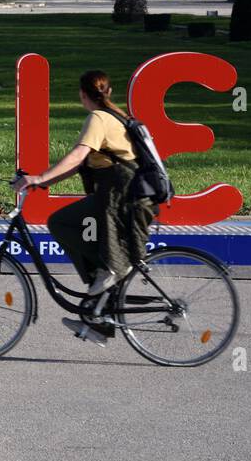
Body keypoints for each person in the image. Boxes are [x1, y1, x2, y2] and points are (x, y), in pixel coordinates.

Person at [11, 70, 156, 345]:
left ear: (82, 95)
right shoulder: (115, 116)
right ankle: (99, 312)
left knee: (61, 222)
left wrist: (39, 178)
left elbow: (78, 155)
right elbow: (80, 163)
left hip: (120, 193)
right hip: (124, 192)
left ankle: (110, 270)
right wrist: (42, 181)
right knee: (65, 223)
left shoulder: (99, 118)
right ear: (109, 92)